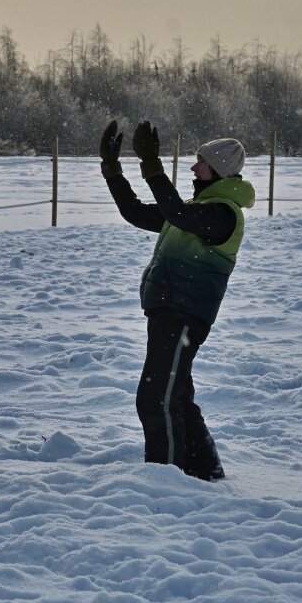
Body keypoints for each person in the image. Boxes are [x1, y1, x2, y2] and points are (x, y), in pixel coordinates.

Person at [99, 118, 255, 481]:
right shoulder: (192, 209)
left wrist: (151, 165)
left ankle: (164, 479)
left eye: (201, 161)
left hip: (184, 314)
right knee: (176, 394)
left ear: (219, 170)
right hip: (170, 311)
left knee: (156, 398)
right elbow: (135, 212)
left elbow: (176, 213)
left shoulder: (221, 215)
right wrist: (112, 169)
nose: (193, 166)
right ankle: (204, 468)